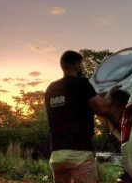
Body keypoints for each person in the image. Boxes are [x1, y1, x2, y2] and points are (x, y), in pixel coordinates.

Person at [45, 50, 119, 183]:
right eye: (82, 64)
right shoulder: (82, 84)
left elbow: (69, 104)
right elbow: (102, 108)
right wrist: (112, 92)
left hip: (57, 155)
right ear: (77, 65)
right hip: (79, 153)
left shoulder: (51, 88)